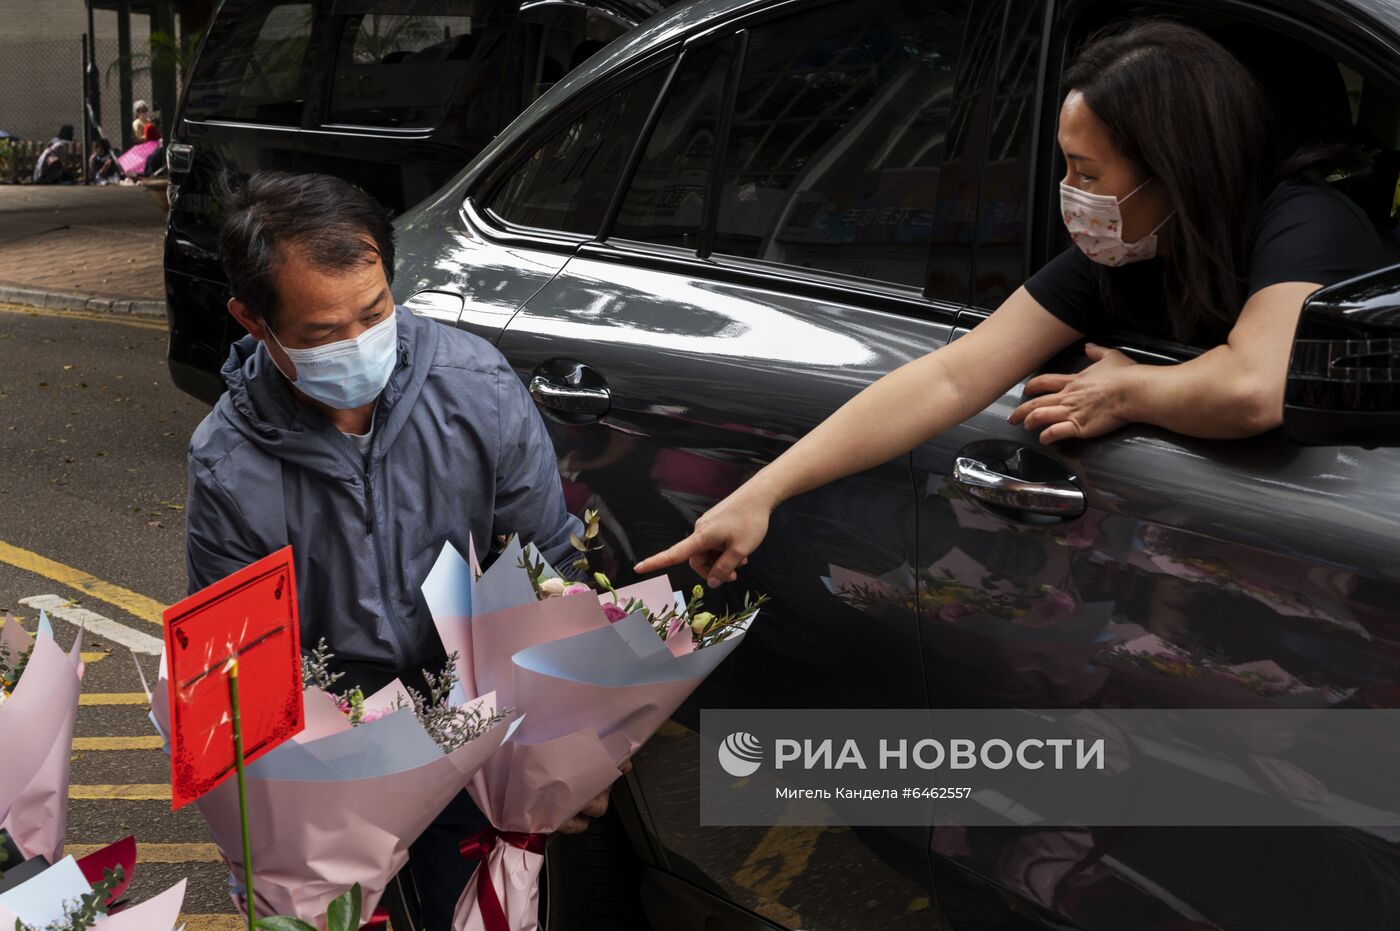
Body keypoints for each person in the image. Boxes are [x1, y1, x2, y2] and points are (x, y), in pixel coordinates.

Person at [635, 20, 1391, 588]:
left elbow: (1253, 387)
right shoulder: (1124, 251)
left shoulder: (1303, 225)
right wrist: (760, 493)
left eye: (1085, 172)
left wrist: (1128, 389)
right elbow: (952, 377)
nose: (1070, 196)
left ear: (1173, 171)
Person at [185, 171, 620, 929]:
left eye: (375, 312)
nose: (358, 344)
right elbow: (240, 677)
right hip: (331, 773)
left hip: (475, 743)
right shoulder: (228, 463)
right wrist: (265, 831)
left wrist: (571, 739)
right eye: (323, 333)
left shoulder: (477, 388)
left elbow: (548, 569)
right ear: (253, 320)